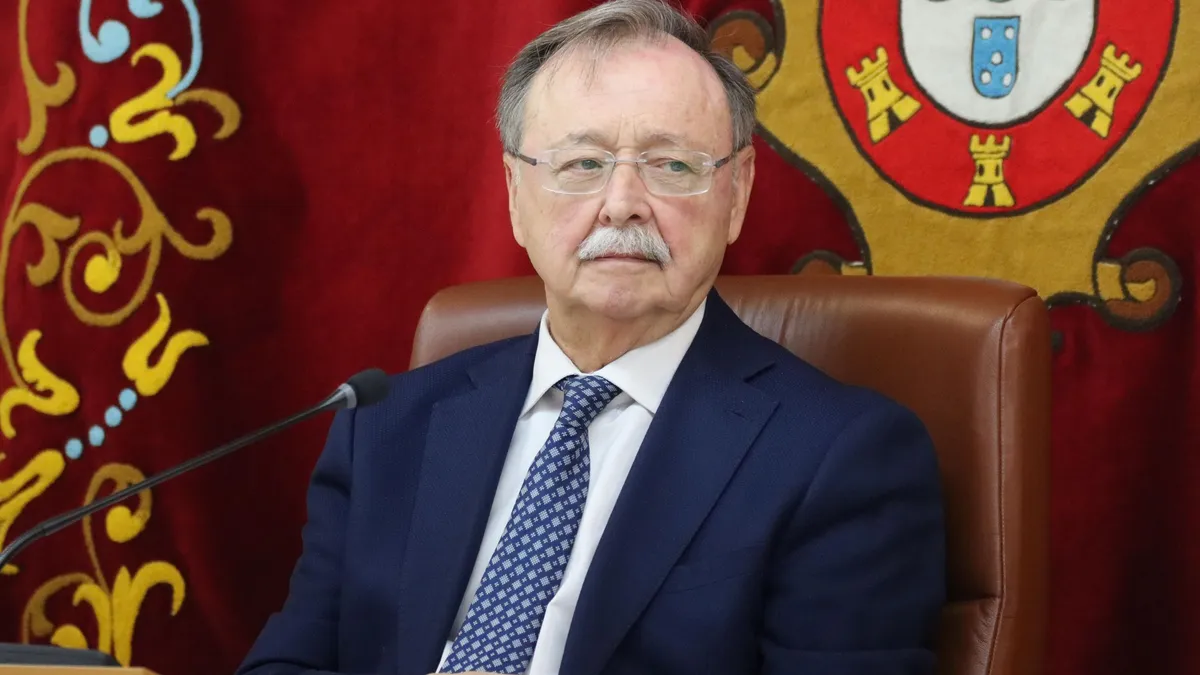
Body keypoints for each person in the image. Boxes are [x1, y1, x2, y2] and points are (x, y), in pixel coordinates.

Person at [236, 0, 945, 673]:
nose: (622, 203)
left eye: (673, 165)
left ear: (737, 193)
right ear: (515, 194)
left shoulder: (840, 458)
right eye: (582, 164)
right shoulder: (386, 430)